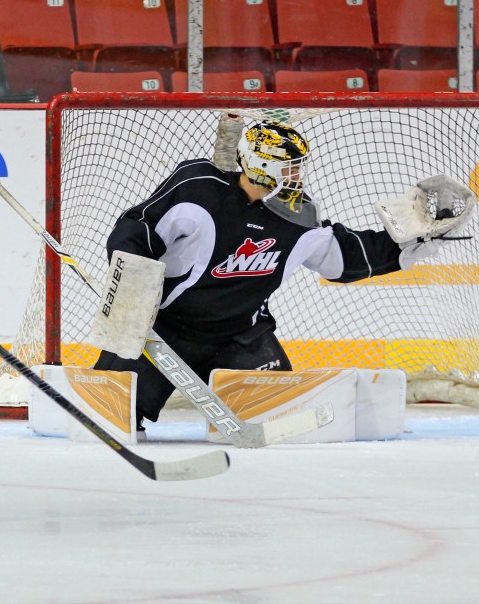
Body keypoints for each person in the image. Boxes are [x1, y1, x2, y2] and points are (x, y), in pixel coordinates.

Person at [93, 117, 458, 431]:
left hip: (242, 337)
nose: (298, 175)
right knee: (106, 416)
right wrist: (131, 289)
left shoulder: (298, 216)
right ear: (261, 166)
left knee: (277, 419)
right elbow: (137, 228)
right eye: (289, 167)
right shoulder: (198, 190)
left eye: (299, 166)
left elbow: (342, 257)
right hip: (163, 331)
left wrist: (414, 244)